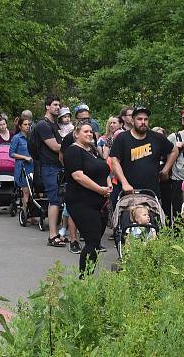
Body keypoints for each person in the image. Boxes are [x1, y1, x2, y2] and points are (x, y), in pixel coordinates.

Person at [63, 122, 112, 276]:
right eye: (85, 131)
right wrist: (100, 189)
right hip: (80, 201)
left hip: (100, 202)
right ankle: (84, 279)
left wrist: (108, 186)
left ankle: (89, 276)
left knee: (96, 241)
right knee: (92, 240)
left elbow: (105, 170)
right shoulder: (73, 151)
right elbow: (78, 176)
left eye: (91, 131)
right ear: (76, 134)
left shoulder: (93, 151)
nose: (89, 134)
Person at [110, 106, 177, 197]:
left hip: (152, 192)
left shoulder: (157, 137)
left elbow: (174, 150)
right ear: (133, 121)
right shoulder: (122, 138)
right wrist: (124, 183)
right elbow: (114, 161)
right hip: (128, 192)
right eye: (139, 119)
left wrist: (165, 170)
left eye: (146, 119)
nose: (143, 122)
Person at [36, 95, 65, 247]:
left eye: (59, 105)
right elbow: (55, 146)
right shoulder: (43, 125)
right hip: (48, 167)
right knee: (54, 200)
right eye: (54, 104)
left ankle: (61, 232)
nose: (57, 107)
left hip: (57, 166)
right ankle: (52, 236)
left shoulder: (54, 125)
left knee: (60, 200)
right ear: (47, 107)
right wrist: (74, 144)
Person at [10, 117, 33, 211]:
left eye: (28, 124)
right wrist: (24, 157)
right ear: (20, 126)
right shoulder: (16, 138)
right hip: (22, 167)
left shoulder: (31, 137)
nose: (27, 126)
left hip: (32, 166)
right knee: (26, 191)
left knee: (33, 191)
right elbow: (11, 153)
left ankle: (30, 212)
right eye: (25, 124)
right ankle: (27, 213)